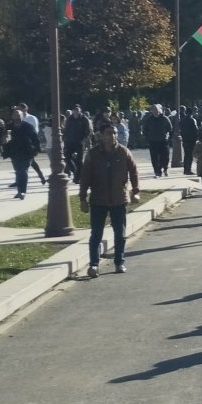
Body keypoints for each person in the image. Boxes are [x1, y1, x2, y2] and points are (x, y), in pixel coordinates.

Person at [76, 128, 139, 277]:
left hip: (119, 199)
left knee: (120, 234)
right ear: (102, 136)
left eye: (114, 133)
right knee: (96, 234)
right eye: (109, 133)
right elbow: (85, 176)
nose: (112, 136)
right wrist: (82, 198)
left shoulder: (123, 152)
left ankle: (119, 262)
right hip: (98, 199)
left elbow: (134, 171)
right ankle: (94, 265)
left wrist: (135, 190)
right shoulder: (93, 154)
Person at [3, 107, 41, 199]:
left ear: (22, 116)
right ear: (12, 116)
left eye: (18, 115)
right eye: (14, 115)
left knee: (23, 171)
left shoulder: (28, 126)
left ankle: (22, 191)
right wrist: (4, 140)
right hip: (14, 152)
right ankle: (20, 190)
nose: (16, 116)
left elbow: (35, 139)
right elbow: (3, 139)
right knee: (18, 171)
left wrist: (36, 150)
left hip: (26, 152)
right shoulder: (9, 127)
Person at [141, 104, 173, 178]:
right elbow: (145, 129)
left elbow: (170, 128)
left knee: (165, 157)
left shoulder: (165, 119)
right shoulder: (149, 120)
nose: (155, 111)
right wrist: (147, 137)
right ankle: (157, 172)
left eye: (156, 109)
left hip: (163, 141)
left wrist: (169, 137)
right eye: (153, 110)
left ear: (160, 110)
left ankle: (165, 168)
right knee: (154, 158)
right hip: (153, 141)